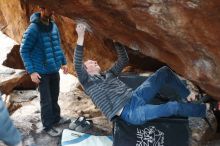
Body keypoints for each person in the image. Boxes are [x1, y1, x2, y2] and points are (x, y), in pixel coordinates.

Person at [74, 23, 213, 125]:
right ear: (86, 70)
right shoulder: (88, 83)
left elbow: (124, 60)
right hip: (131, 113)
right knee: (173, 107)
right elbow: (76, 63)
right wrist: (81, 35)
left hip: (136, 96)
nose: (94, 61)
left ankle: (188, 95)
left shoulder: (108, 74)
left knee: (163, 72)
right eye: (90, 63)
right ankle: (206, 109)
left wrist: (116, 42)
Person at [20, 6, 70, 136]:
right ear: (41, 9)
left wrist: (63, 62)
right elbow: (24, 50)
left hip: (53, 69)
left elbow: (58, 46)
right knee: (46, 100)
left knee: (54, 96)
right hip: (41, 72)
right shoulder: (33, 29)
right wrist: (31, 72)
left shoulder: (54, 26)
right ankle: (47, 126)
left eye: (53, 9)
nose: (52, 11)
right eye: (48, 9)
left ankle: (56, 118)